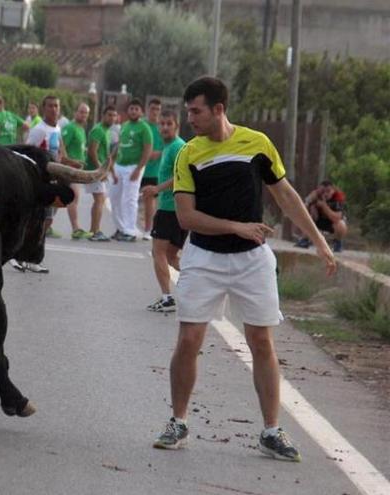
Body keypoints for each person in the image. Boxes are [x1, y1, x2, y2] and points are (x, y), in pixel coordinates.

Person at [153, 76, 336, 462]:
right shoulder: (190, 154)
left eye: (196, 111)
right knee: (189, 340)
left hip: (253, 260)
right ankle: (178, 421)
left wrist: (320, 243)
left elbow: (285, 194)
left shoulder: (257, 144)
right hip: (203, 258)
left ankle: (271, 431)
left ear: (219, 109)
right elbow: (186, 218)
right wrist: (237, 226)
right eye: (188, 111)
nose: (190, 119)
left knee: (262, 342)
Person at [11, 95, 81, 274]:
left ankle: (26, 254)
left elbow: (59, 153)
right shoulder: (38, 130)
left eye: (56, 106)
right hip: (40, 181)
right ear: (44, 108)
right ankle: (27, 256)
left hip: (54, 179)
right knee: (41, 218)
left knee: (47, 219)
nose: (54, 109)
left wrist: (71, 163)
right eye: (50, 106)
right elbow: (26, 154)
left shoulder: (57, 128)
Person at [140, 110, 187, 311]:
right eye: (162, 124)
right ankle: (197, 289)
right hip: (173, 208)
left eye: (169, 124)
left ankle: (167, 298)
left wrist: (156, 189)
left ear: (176, 126)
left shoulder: (178, 147)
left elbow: (182, 176)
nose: (165, 127)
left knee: (157, 251)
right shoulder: (169, 147)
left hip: (170, 208)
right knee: (170, 255)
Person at [108, 98, 153, 241]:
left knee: (129, 199)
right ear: (127, 111)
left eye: (136, 109)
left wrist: (139, 169)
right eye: (131, 109)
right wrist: (111, 164)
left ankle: (130, 231)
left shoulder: (144, 128)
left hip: (134, 167)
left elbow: (147, 150)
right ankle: (121, 228)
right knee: (114, 197)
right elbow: (119, 145)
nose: (133, 111)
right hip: (119, 166)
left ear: (141, 112)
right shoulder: (125, 125)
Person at [85, 105, 117, 242]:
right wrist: (100, 171)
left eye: (114, 115)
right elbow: (92, 152)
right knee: (99, 200)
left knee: (99, 200)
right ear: (103, 115)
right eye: (109, 114)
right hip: (94, 170)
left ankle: (93, 230)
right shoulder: (98, 130)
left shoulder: (107, 131)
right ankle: (95, 231)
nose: (112, 118)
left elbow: (107, 155)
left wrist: (112, 172)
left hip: (100, 171)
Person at [61, 102, 91, 240]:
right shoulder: (70, 128)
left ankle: (46, 226)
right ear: (75, 112)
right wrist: (71, 162)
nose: (84, 115)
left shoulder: (81, 129)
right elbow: (62, 148)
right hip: (69, 169)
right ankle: (76, 228)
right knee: (74, 197)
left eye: (86, 113)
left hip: (77, 170)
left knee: (61, 199)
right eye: (81, 112)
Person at [295, 180, 347, 252]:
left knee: (341, 224)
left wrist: (324, 206)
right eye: (323, 191)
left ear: (333, 190)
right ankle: (305, 239)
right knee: (307, 217)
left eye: (328, 191)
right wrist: (309, 204)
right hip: (318, 220)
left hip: (332, 222)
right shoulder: (315, 195)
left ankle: (337, 242)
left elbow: (337, 218)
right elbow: (302, 210)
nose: (325, 194)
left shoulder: (338, 197)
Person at [140, 99, 164, 240]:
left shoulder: (162, 127)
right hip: (137, 167)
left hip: (154, 171)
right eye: (152, 108)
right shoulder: (142, 125)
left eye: (157, 109)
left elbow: (167, 146)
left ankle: (148, 229)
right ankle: (125, 227)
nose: (155, 112)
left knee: (149, 200)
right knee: (130, 199)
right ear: (148, 109)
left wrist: (158, 153)